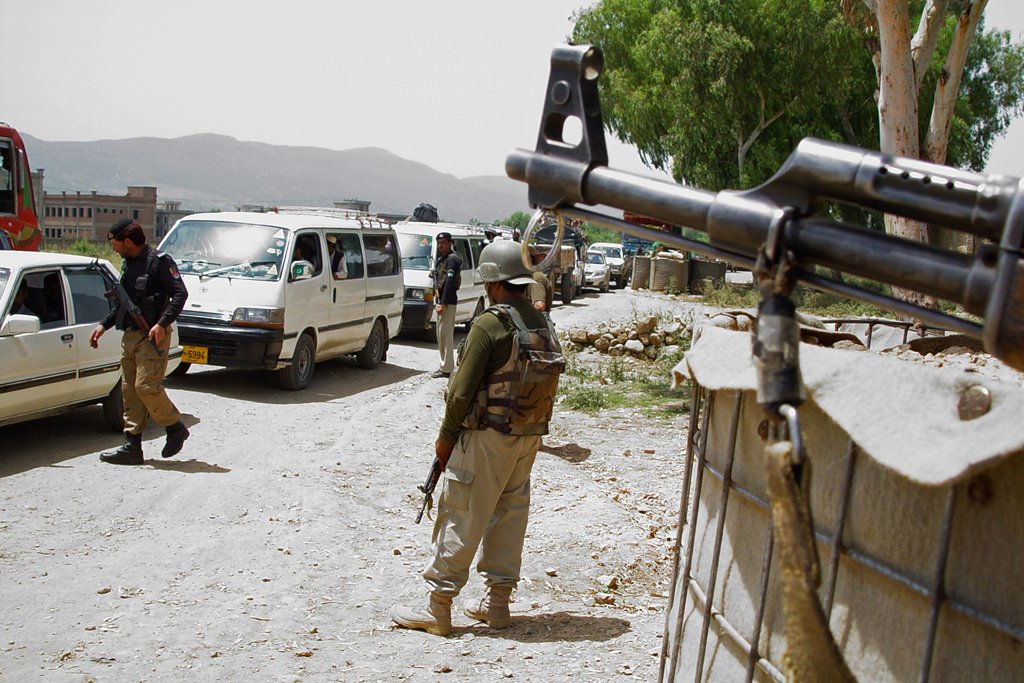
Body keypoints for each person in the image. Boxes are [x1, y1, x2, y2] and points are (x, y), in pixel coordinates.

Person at [390, 239, 565, 636]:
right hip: (526, 436)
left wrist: (445, 438)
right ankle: (497, 605)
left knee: (462, 513)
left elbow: (459, 391)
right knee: (511, 513)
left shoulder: (492, 322)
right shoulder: (542, 321)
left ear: (494, 281)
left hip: (486, 437)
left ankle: (438, 607)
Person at [89, 219, 190, 465]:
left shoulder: (159, 262)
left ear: (126, 241)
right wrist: (103, 325)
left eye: (115, 243)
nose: (113, 249)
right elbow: (125, 303)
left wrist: (161, 324)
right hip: (131, 336)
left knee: (146, 387)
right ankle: (132, 446)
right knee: (130, 391)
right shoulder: (128, 265)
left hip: (152, 336)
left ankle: (175, 427)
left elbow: (180, 293)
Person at [431, 231, 462, 379]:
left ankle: (447, 369)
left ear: (450, 243)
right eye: (438, 243)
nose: (440, 245)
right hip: (442, 300)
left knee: (446, 335)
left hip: (447, 301)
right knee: (441, 335)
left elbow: (449, 282)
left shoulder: (452, 260)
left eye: (443, 243)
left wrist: (442, 302)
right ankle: (445, 366)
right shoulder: (442, 259)